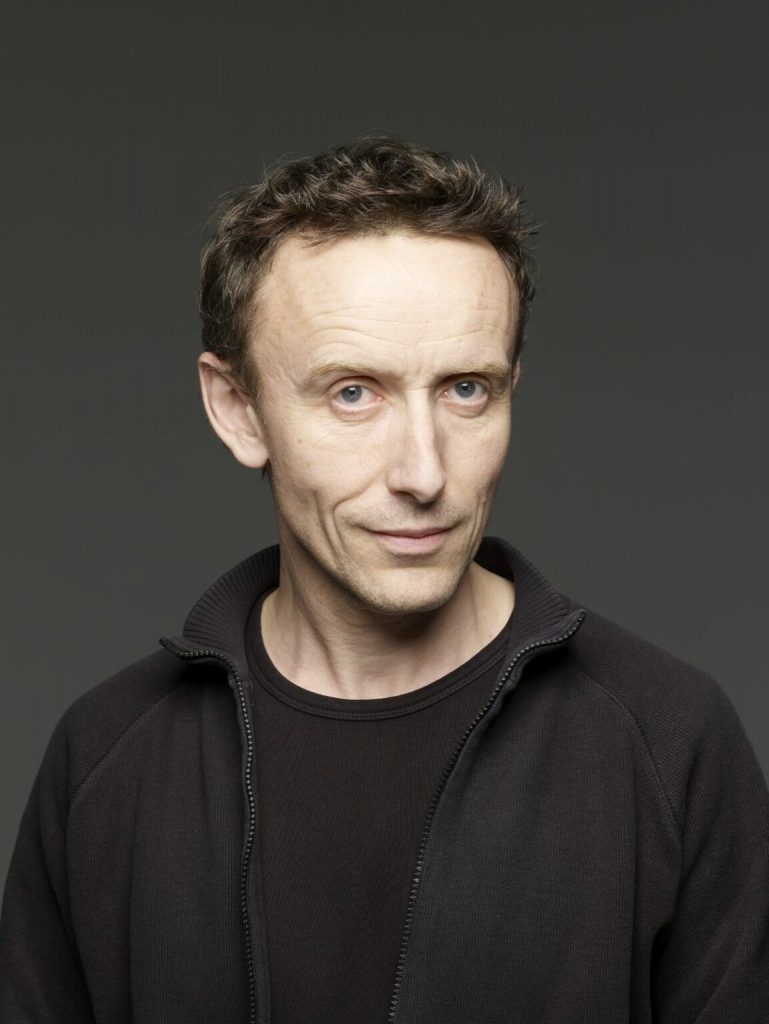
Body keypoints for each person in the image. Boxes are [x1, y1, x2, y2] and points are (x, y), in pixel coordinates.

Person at [1, 133, 767, 1024]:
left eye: (466, 389)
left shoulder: (669, 742)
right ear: (239, 409)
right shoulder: (107, 756)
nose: (423, 473)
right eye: (353, 393)